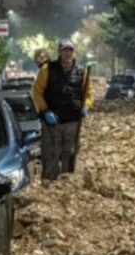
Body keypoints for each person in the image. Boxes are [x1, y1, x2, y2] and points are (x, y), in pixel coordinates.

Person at [30, 39, 93, 181]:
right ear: (59, 52)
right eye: (65, 50)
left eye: (70, 50)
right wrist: (45, 110)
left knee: (70, 154)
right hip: (52, 122)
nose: (67, 54)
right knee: (51, 155)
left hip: (73, 121)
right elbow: (37, 92)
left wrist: (86, 106)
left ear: (74, 53)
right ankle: (50, 187)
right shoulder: (47, 70)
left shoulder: (82, 72)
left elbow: (88, 93)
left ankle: (67, 187)